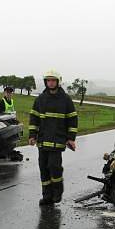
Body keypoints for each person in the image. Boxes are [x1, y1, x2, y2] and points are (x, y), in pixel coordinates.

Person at [28, 69, 78, 206]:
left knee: (54, 167)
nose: (50, 83)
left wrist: (71, 138)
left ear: (58, 82)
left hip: (57, 141)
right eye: (48, 80)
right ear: (45, 82)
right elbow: (34, 118)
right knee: (44, 169)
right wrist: (32, 135)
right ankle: (47, 196)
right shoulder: (40, 99)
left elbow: (72, 120)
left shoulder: (65, 100)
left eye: (53, 80)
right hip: (42, 141)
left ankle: (57, 191)